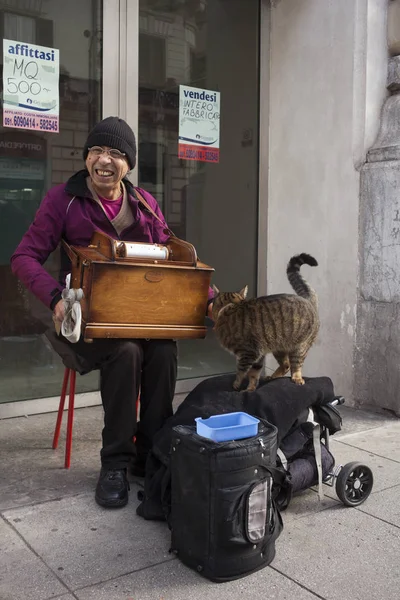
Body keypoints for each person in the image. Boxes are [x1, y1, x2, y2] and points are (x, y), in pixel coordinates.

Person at [11, 116, 214, 509]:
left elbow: (176, 262)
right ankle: (115, 463)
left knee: (163, 350)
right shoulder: (62, 200)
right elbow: (24, 256)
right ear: (86, 157)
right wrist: (56, 298)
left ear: (129, 164)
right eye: (97, 151)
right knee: (127, 352)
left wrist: (209, 300)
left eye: (116, 154)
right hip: (83, 326)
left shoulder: (145, 205)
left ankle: (150, 455)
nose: (105, 160)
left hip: (141, 320)